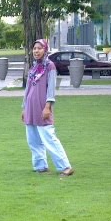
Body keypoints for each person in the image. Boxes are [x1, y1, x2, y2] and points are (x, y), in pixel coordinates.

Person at [22, 39, 74, 177]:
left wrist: (48, 106)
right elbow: (27, 89)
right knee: (33, 140)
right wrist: (24, 107)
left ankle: (65, 167)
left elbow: (51, 88)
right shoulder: (34, 68)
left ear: (45, 50)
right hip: (31, 108)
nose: (36, 51)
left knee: (49, 138)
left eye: (39, 48)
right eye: (34, 48)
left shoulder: (50, 66)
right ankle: (40, 166)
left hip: (42, 107)